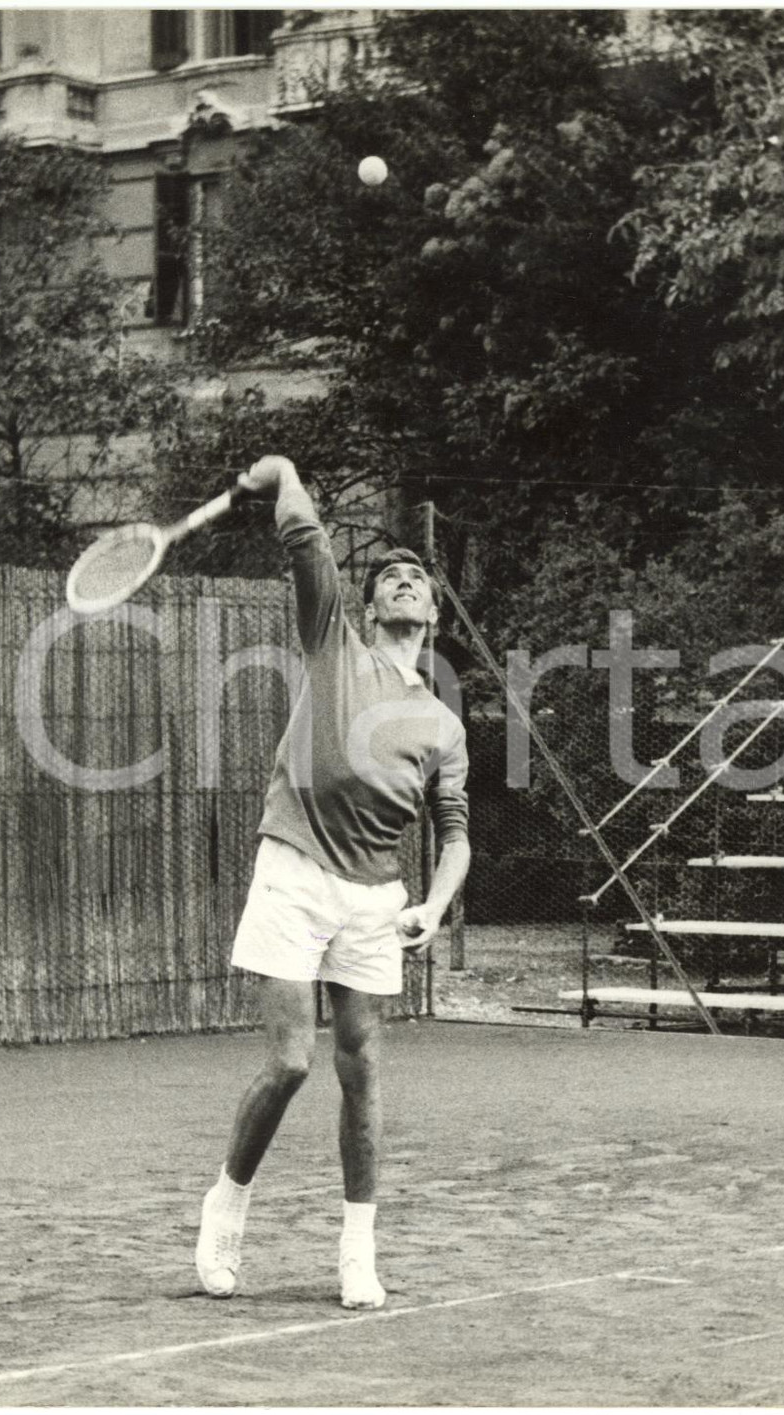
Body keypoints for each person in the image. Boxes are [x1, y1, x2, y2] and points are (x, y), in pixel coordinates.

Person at [195, 455, 470, 1310]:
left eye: (415, 578)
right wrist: (276, 471)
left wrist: (434, 902)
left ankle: (357, 1249)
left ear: (431, 611)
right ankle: (227, 1204)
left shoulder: (442, 725)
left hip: (375, 898)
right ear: (367, 604)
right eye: (388, 576)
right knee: (289, 1061)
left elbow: (456, 834)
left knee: (363, 1070)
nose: (402, 580)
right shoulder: (331, 640)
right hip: (293, 870)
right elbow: (306, 526)